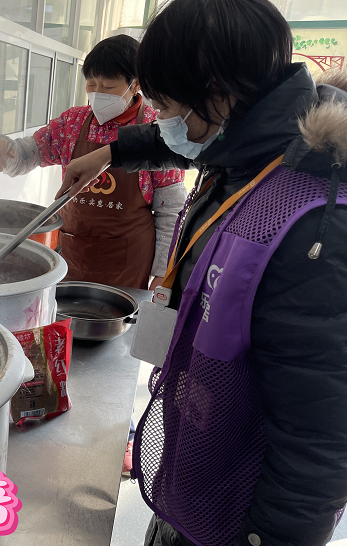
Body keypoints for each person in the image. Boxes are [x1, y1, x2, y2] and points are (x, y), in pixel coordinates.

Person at [59, 1, 347, 545]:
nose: (162, 121)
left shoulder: (318, 225)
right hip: (197, 464)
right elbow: (179, 144)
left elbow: (320, 437)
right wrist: (109, 153)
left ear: (218, 91)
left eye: (166, 106)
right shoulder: (248, 144)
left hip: (241, 513)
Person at [0, 35, 186, 293]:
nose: (97, 93)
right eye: (91, 84)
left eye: (108, 86)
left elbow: (170, 212)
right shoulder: (72, 122)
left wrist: (162, 273)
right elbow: (29, 154)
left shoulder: (155, 132)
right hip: (73, 249)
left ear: (135, 84)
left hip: (127, 258)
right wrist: (5, 150)